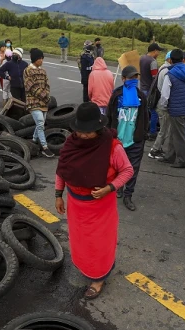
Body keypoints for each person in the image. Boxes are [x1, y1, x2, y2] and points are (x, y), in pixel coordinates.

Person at [55, 102, 134, 299]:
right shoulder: (71, 143)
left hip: (100, 207)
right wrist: (58, 194)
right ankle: (86, 267)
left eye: (88, 132)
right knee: (81, 241)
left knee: (98, 243)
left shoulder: (112, 147)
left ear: (98, 129)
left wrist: (110, 188)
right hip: (76, 204)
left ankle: (99, 278)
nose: (83, 135)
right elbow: (62, 169)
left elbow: (127, 170)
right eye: (80, 131)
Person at [106, 65, 148, 212]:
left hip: (135, 141)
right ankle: (119, 187)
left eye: (136, 77)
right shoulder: (116, 96)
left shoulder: (141, 96)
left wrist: (142, 135)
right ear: (123, 79)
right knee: (117, 167)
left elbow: (145, 118)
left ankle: (128, 196)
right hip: (117, 141)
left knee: (133, 170)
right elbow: (109, 117)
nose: (134, 80)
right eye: (131, 77)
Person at [157, 49, 185, 169]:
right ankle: (170, 156)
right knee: (176, 133)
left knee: (178, 136)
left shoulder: (170, 74)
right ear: (183, 59)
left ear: (171, 60)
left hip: (175, 109)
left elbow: (165, 95)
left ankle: (182, 160)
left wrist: (164, 106)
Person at [24, 48, 54, 158]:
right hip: (33, 102)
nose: (41, 60)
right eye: (39, 59)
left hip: (43, 102)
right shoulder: (28, 70)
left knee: (40, 124)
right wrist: (44, 95)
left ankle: (33, 140)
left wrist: (46, 95)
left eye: (42, 58)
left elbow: (47, 85)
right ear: (34, 59)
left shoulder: (43, 71)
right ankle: (45, 147)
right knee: (41, 123)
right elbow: (31, 87)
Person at [148, 51, 172, 160]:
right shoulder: (167, 71)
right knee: (164, 130)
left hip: (158, 103)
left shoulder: (162, 67)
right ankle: (154, 150)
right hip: (162, 105)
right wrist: (165, 104)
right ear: (170, 59)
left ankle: (158, 148)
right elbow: (164, 91)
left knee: (164, 129)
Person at [140, 43, 163, 139]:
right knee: (154, 112)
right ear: (154, 51)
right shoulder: (153, 62)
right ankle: (152, 132)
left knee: (144, 111)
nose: (158, 53)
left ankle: (142, 130)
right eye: (158, 51)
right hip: (150, 90)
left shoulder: (142, 58)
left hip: (142, 88)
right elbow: (154, 77)